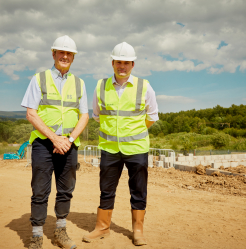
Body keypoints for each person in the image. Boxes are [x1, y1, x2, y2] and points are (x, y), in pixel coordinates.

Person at [83, 42, 158, 246]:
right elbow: (97, 116)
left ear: (132, 64)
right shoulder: (101, 86)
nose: (122, 66)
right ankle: (102, 228)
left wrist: (133, 133)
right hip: (109, 149)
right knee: (106, 190)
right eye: (118, 62)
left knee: (138, 190)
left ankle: (138, 231)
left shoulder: (144, 86)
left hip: (136, 149)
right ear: (112, 63)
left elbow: (152, 116)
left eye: (126, 63)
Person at [21, 35, 89, 249]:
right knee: (40, 190)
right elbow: (31, 114)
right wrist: (54, 139)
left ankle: (60, 231)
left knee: (66, 189)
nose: (65, 56)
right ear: (53, 54)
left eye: (69, 53)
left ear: (73, 57)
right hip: (44, 143)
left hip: (69, 144)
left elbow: (84, 116)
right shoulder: (39, 79)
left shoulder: (79, 83)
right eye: (61, 52)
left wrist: (68, 140)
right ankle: (37, 236)